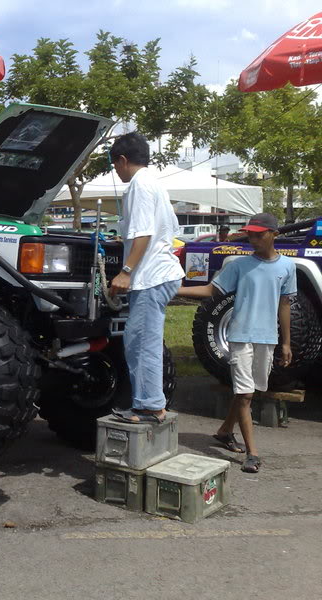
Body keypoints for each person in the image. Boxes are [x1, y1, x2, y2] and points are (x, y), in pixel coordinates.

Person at [177, 213, 294, 473]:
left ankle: (224, 430)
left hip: (268, 338)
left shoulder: (288, 267)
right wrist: (174, 289)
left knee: (250, 391)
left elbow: (285, 304)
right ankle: (252, 454)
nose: (252, 238)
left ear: (273, 234)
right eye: (250, 234)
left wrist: (286, 343)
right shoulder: (239, 265)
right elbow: (211, 290)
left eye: (258, 234)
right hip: (240, 336)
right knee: (245, 394)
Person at [108, 132, 185, 424]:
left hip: (150, 276)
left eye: (115, 165)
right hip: (160, 273)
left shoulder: (139, 186)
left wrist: (125, 271)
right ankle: (150, 404)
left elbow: (143, 234)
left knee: (140, 342)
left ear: (123, 160)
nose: (116, 171)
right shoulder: (154, 183)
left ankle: (150, 406)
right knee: (142, 340)